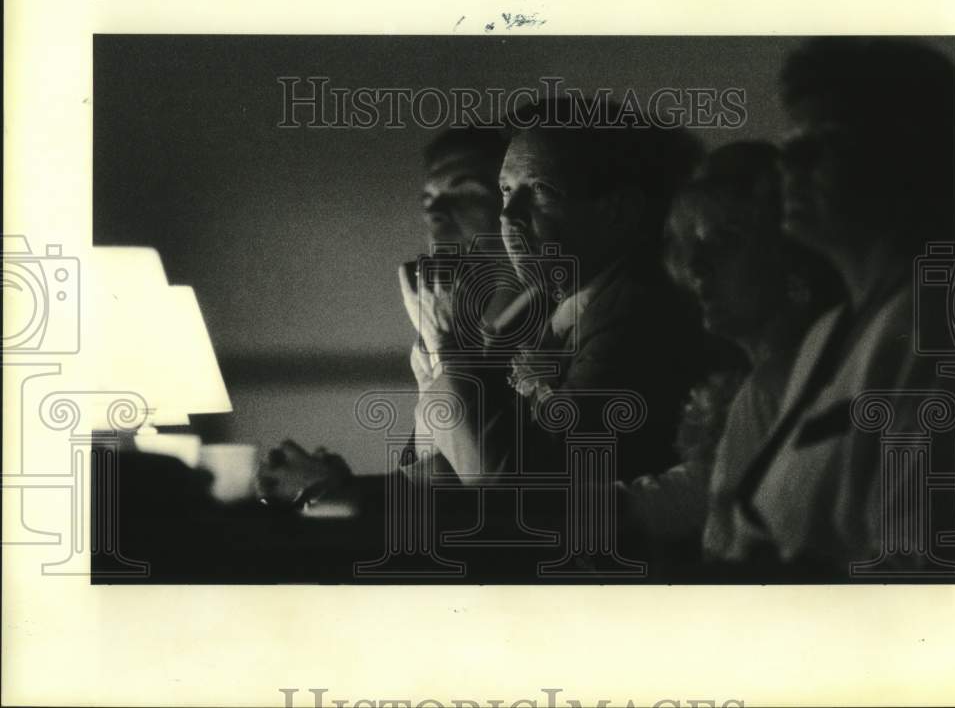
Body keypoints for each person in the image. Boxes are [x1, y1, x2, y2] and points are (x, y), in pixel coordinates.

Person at [733, 37, 955, 576]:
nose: (787, 165)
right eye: (787, 146)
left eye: (819, 146)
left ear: (908, 156)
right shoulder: (824, 334)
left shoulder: (939, 324)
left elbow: (919, 562)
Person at [406, 97, 707, 485]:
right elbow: (444, 479)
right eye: (506, 190)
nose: (508, 215)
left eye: (542, 190)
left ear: (619, 209)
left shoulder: (638, 312)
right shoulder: (552, 305)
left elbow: (519, 489)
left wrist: (447, 346)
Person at [617, 141, 842, 575]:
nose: (696, 266)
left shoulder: (778, 387)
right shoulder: (752, 385)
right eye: (688, 243)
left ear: (790, 255)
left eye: (725, 241)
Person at [255, 125, 509, 506]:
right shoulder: (468, 328)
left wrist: (330, 490)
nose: (435, 213)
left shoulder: (550, 335)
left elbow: (499, 496)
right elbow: (440, 479)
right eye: (428, 200)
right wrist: (339, 484)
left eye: (466, 191)